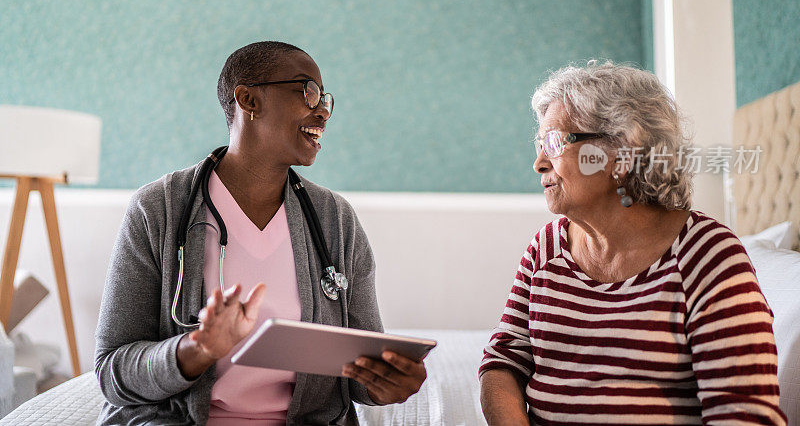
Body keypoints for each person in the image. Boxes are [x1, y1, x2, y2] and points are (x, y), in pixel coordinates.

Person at [95, 41, 427, 425]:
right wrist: (197, 349)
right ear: (248, 99)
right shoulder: (158, 210)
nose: (322, 111)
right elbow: (111, 372)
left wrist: (385, 384)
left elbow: (359, 373)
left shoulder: (336, 220)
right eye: (308, 91)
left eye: (326, 100)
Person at [479, 61, 786, 425]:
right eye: (539, 143)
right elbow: (504, 359)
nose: (538, 163)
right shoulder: (546, 248)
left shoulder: (708, 257)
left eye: (555, 142)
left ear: (620, 155)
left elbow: (745, 414)